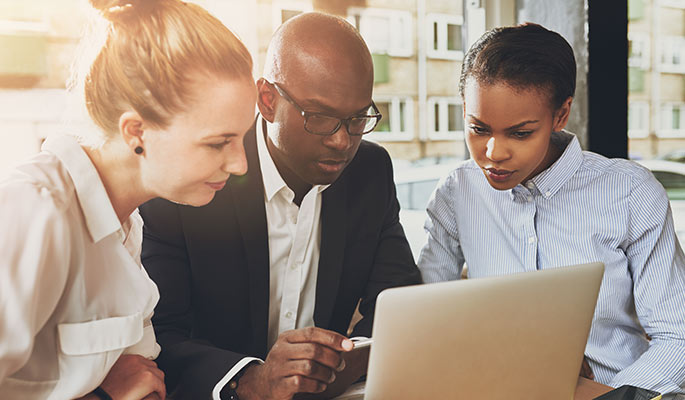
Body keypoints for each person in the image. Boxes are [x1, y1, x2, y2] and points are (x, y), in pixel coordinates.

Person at [139, 12, 421, 400]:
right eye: (320, 117)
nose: (343, 141)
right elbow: (158, 334)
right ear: (268, 101)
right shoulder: (197, 177)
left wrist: (348, 359)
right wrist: (248, 379)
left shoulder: (370, 171)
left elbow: (399, 300)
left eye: (357, 118)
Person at [0, 0, 256, 398]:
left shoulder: (127, 220)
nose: (240, 164)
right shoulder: (35, 212)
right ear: (136, 131)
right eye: (218, 143)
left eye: (242, 138)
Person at [418, 23, 685, 395]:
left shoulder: (630, 192)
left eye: (520, 133)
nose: (494, 153)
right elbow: (424, 321)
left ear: (560, 115)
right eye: (479, 128)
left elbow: (678, 336)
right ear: (464, 109)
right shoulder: (457, 191)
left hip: (612, 390)